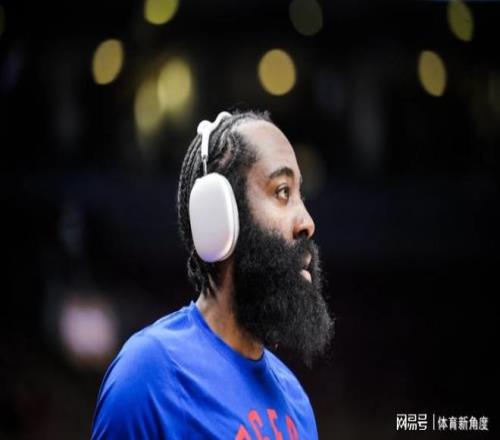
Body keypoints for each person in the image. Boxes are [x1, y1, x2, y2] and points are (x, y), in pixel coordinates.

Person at [91, 109, 334, 439]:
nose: (307, 222)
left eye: (300, 195)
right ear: (220, 215)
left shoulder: (297, 404)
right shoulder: (150, 374)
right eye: (282, 192)